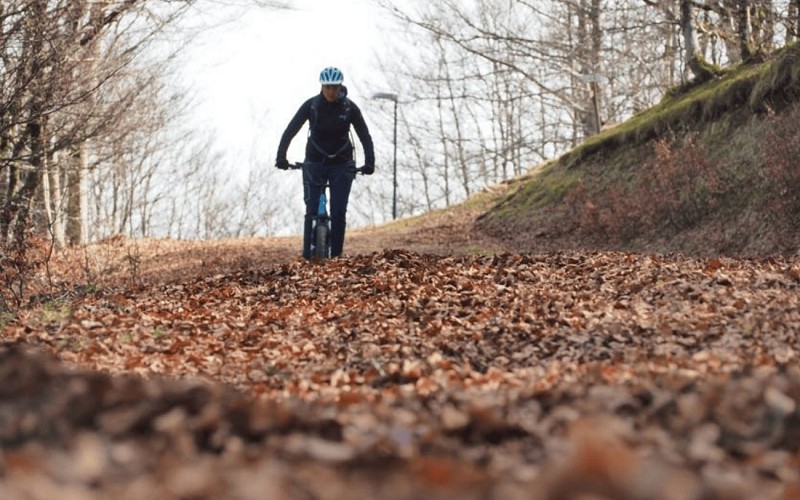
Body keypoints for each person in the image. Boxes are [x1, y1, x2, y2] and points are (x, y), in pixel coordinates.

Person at [275, 66, 375, 259]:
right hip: (314, 162)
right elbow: (291, 130)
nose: (331, 91)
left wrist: (369, 162)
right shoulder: (311, 106)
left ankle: (336, 256)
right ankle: (306, 256)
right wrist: (281, 157)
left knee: (338, 212)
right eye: (327, 87)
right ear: (322, 86)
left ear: (340, 87)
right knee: (311, 210)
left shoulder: (349, 108)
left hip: (342, 163)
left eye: (335, 87)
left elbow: (364, 135)